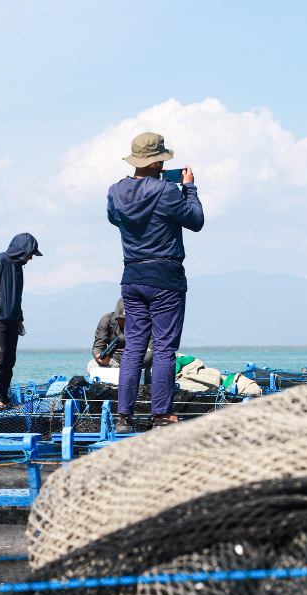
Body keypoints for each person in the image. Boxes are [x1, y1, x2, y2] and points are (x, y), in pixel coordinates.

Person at [107, 132, 204, 432]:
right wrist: (189, 188)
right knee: (163, 348)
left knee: (134, 347)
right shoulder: (167, 191)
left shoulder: (115, 191)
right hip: (165, 278)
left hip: (132, 277)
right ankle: (160, 414)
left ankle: (124, 418)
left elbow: (114, 219)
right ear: (156, 162)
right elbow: (196, 220)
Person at [0, 233, 42, 408]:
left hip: (12, 320)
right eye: (30, 254)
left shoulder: (18, 268)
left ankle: (4, 399)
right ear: (23, 250)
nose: (30, 258)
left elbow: (16, 297)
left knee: (9, 359)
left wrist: (19, 319)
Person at [88, 297, 153, 374]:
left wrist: (137, 365)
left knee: (157, 370)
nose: (124, 322)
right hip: (114, 362)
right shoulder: (107, 320)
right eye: (120, 319)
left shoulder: (147, 323)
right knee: (91, 365)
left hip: (139, 363)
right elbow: (98, 346)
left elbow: (153, 350)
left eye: (127, 319)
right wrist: (100, 357)